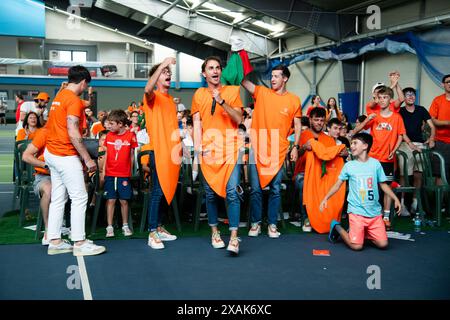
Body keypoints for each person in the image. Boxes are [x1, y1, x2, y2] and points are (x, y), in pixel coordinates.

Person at [44, 65, 105, 256]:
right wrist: (87, 159)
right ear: (84, 82)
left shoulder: (60, 96)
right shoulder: (72, 100)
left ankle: (54, 240)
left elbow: (82, 105)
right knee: (79, 197)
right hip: (64, 155)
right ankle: (79, 242)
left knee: (58, 198)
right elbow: (72, 131)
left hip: (51, 153)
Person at [241, 64, 301, 238]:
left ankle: (272, 224)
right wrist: (238, 56)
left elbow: (297, 126)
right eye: (272, 76)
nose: (272, 79)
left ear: (285, 78)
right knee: (255, 189)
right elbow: (243, 82)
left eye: (276, 76)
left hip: (278, 149)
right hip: (257, 148)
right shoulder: (262, 92)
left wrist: (295, 146)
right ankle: (256, 223)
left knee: (275, 189)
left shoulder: (294, 100)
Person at [192, 56, 244, 254]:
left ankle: (233, 237)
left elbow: (239, 118)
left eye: (217, 68)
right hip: (208, 150)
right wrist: (198, 151)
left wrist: (222, 101)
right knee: (211, 194)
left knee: (232, 192)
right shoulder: (198, 94)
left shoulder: (232, 91)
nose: (215, 71)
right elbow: (197, 124)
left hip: (231, 148)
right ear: (204, 73)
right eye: (210, 68)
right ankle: (215, 232)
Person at [321, 133, 401, 251]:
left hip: (374, 213)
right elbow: (338, 185)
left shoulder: (375, 164)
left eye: (354, 143)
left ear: (365, 146)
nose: (351, 146)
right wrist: (325, 198)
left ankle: (363, 232)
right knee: (357, 246)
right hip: (356, 212)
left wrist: (395, 198)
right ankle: (337, 227)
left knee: (383, 244)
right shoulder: (349, 166)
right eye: (351, 143)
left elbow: (383, 185)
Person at [353, 86, 407, 230]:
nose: (382, 100)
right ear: (377, 100)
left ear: (390, 100)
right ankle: (367, 216)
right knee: (369, 187)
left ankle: (386, 217)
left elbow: (400, 135)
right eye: (380, 98)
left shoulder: (397, 117)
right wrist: (366, 121)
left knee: (387, 188)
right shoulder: (374, 115)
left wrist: (394, 151)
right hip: (372, 158)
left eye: (385, 97)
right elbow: (356, 131)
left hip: (387, 159)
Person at [142, 57, 181, 250]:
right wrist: (164, 63)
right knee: (158, 190)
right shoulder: (153, 97)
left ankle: (158, 226)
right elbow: (147, 89)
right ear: (156, 77)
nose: (168, 74)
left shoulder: (169, 101)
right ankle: (152, 232)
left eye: (169, 72)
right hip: (159, 152)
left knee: (167, 191)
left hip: (173, 153)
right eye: (164, 72)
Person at [296, 108, 347, 233]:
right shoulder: (303, 135)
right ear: (310, 120)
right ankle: (307, 218)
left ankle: (327, 216)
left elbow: (331, 156)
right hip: (303, 172)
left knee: (335, 184)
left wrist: (342, 153)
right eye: (316, 120)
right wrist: (303, 148)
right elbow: (295, 155)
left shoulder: (328, 138)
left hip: (322, 172)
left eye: (322, 120)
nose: (319, 123)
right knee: (302, 183)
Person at [398, 87, 436, 214]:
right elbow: (400, 131)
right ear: (404, 97)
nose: (410, 96)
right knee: (404, 175)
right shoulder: (400, 111)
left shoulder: (421, 109)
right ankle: (402, 204)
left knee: (418, 174)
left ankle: (415, 202)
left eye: (412, 94)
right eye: (407, 95)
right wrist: (410, 144)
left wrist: (431, 138)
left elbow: (432, 126)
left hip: (419, 144)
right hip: (405, 143)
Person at [103, 110, 137, 237]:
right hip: (110, 174)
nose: (109, 126)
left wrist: (130, 171)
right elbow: (106, 154)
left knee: (124, 201)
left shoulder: (131, 136)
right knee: (111, 200)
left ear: (121, 124)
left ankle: (125, 225)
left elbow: (132, 155)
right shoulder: (109, 136)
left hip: (124, 174)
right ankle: (109, 227)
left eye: (112, 123)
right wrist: (103, 172)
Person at [21, 127, 51, 245]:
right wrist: (46, 165)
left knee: (84, 187)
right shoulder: (44, 133)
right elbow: (26, 156)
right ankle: (48, 230)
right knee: (49, 189)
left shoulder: (71, 132)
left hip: (65, 176)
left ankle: (78, 230)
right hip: (44, 176)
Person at [429, 74, 450, 184]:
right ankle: (439, 201)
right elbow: (433, 120)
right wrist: (447, 123)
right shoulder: (437, 100)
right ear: (443, 84)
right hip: (441, 142)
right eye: (448, 82)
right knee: (440, 174)